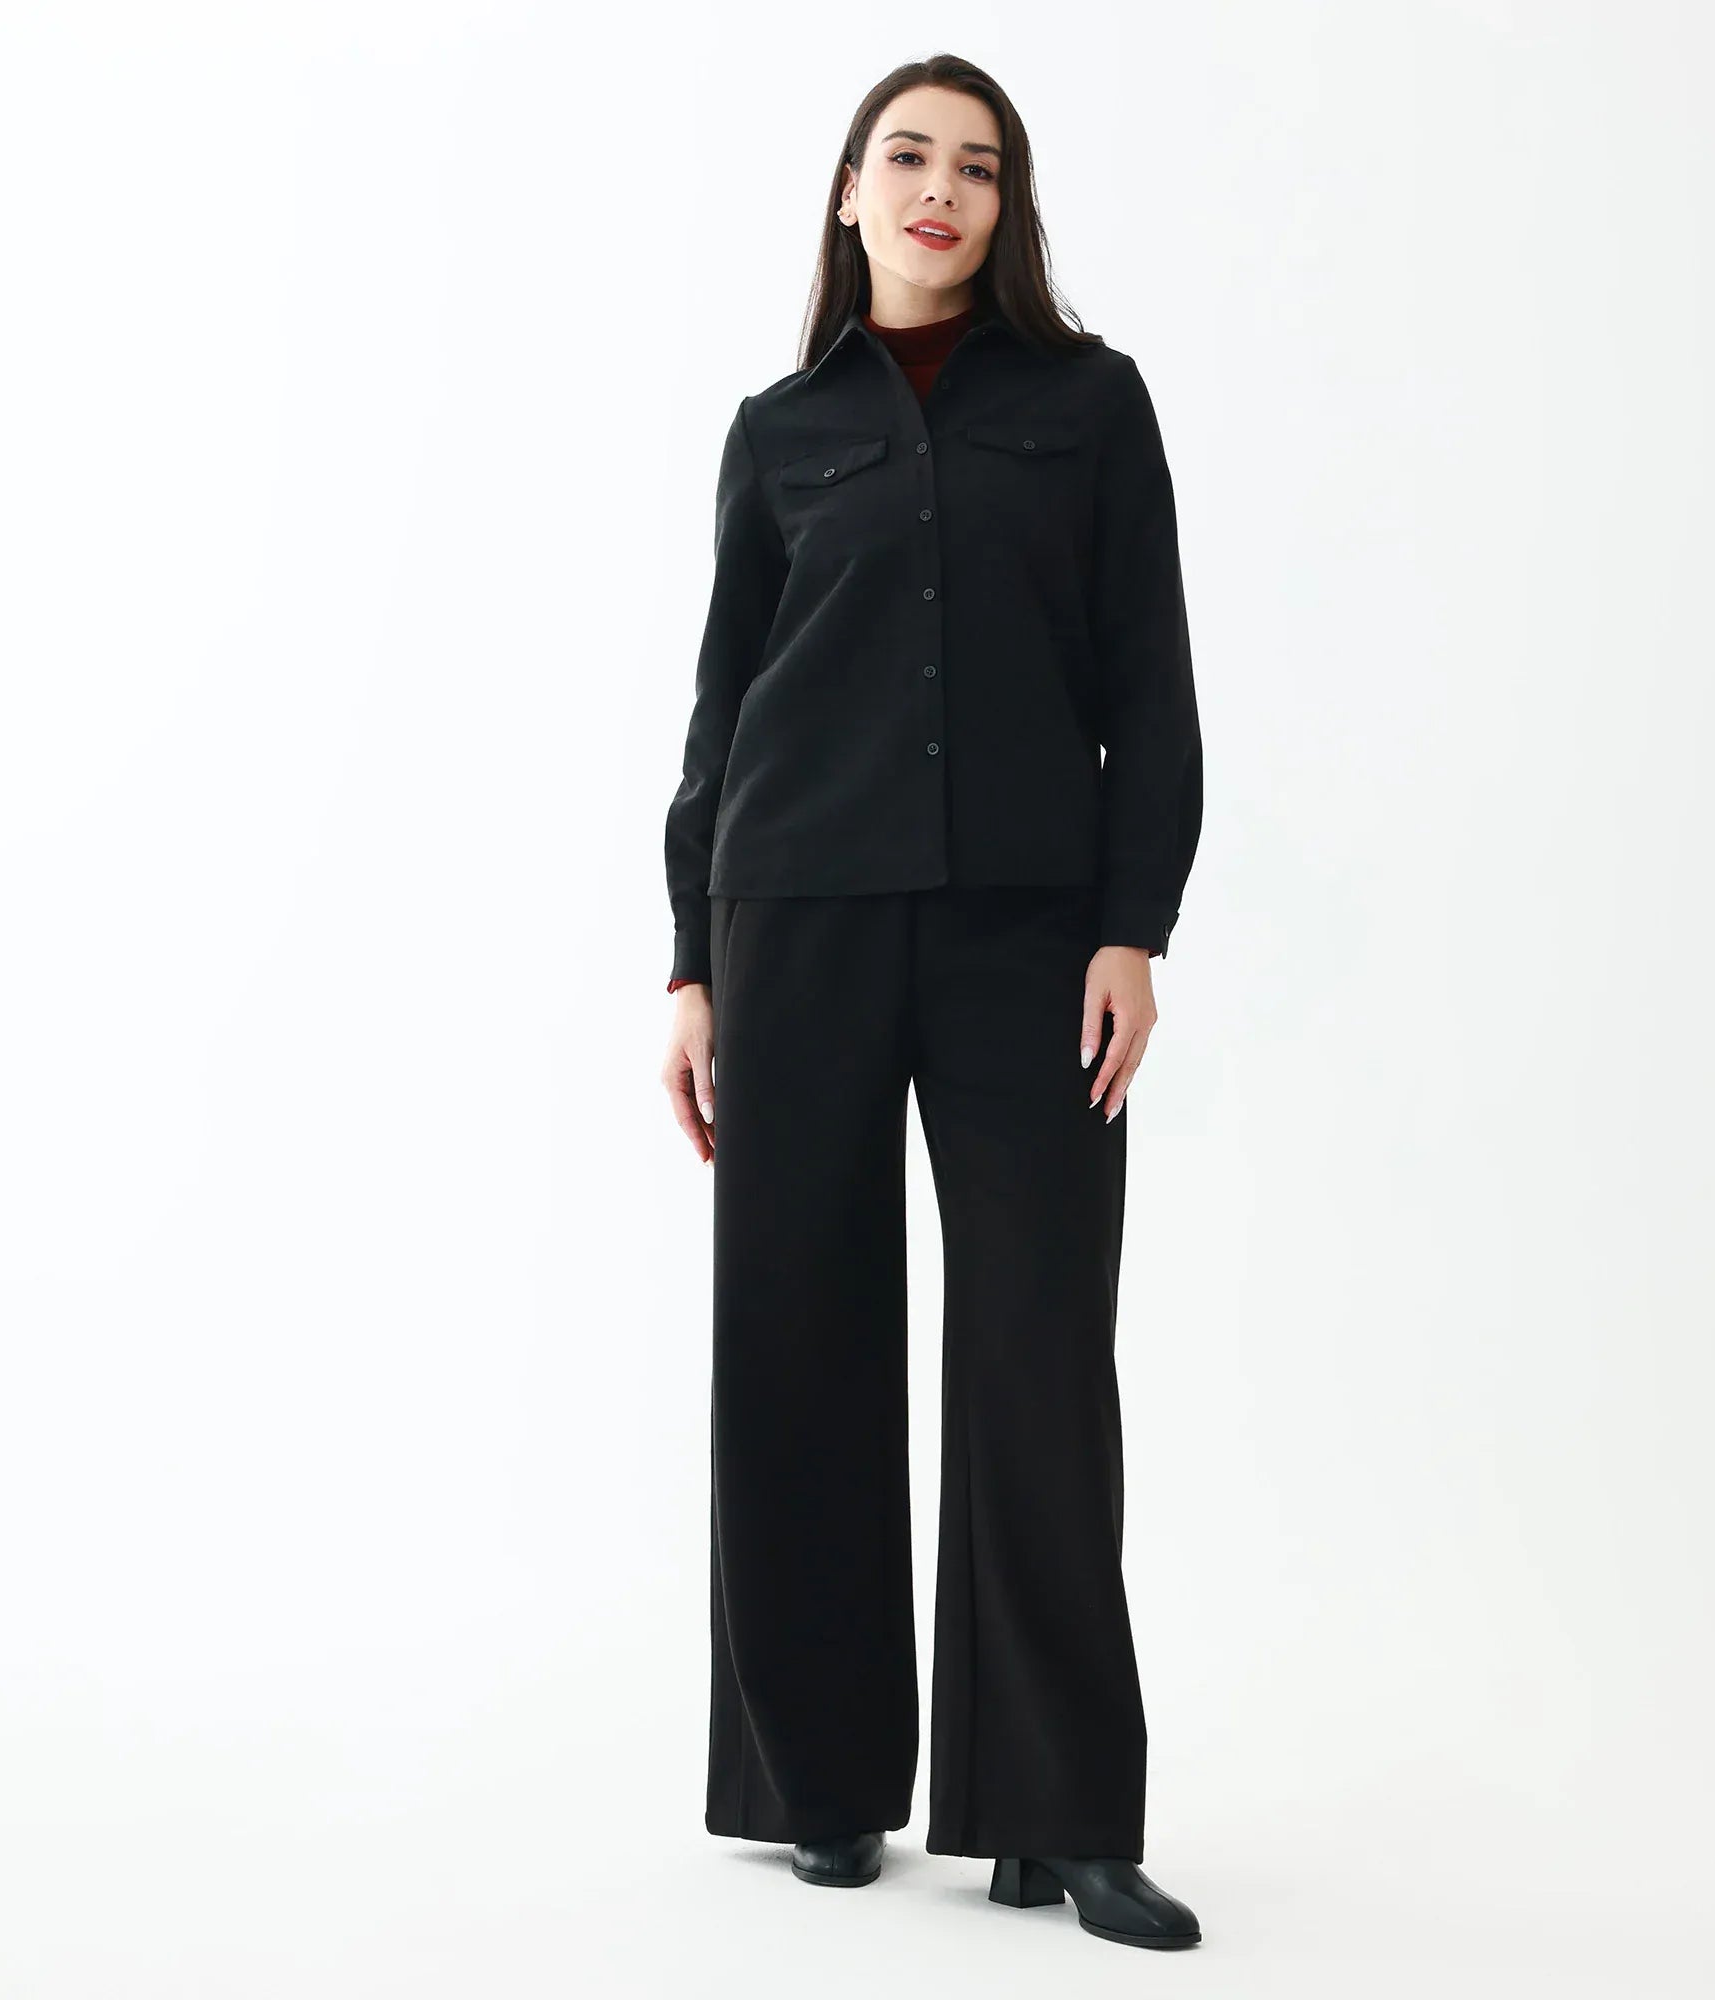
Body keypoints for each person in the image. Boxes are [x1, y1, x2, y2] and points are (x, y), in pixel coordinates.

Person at [659, 54, 1205, 1952]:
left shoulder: (1090, 405)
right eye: (906, 155)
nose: (939, 188)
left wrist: (1132, 927)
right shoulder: (777, 431)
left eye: (976, 165)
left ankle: (1062, 1815)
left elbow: (1152, 679)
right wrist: (691, 962)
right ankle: (815, 1783)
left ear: (1006, 206)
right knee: (795, 1338)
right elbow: (722, 713)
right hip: (795, 920)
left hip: (1026, 941)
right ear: (849, 191)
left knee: (1041, 1351)